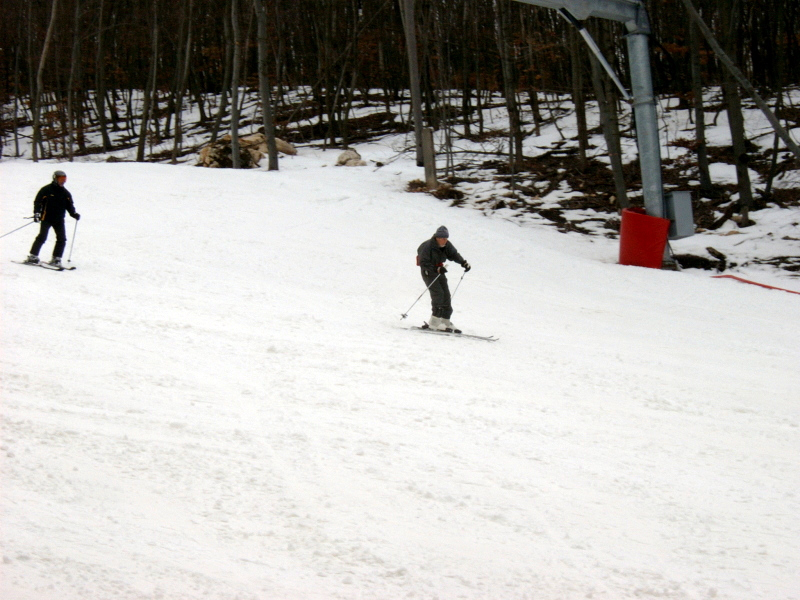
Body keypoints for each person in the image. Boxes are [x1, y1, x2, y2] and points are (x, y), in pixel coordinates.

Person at [417, 225, 471, 332]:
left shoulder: (447, 245)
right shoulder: (428, 246)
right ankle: (434, 322)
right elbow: (423, 263)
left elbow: (454, 254)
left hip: (440, 271)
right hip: (428, 272)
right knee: (438, 294)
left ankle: (445, 321)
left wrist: (463, 263)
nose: (444, 240)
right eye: (442, 238)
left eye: (446, 238)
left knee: (446, 294)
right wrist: (436, 269)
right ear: (437, 237)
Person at [25, 170, 80, 267]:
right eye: (61, 179)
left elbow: (69, 205)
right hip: (46, 218)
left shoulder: (65, 193)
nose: (63, 181)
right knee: (42, 237)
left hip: (59, 220)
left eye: (64, 179)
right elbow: (37, 202)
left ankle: (56, 258)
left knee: (62, 239)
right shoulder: (46, 190)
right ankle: (33, 256)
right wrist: (37, 213)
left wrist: (74, 214)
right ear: (55, 179)